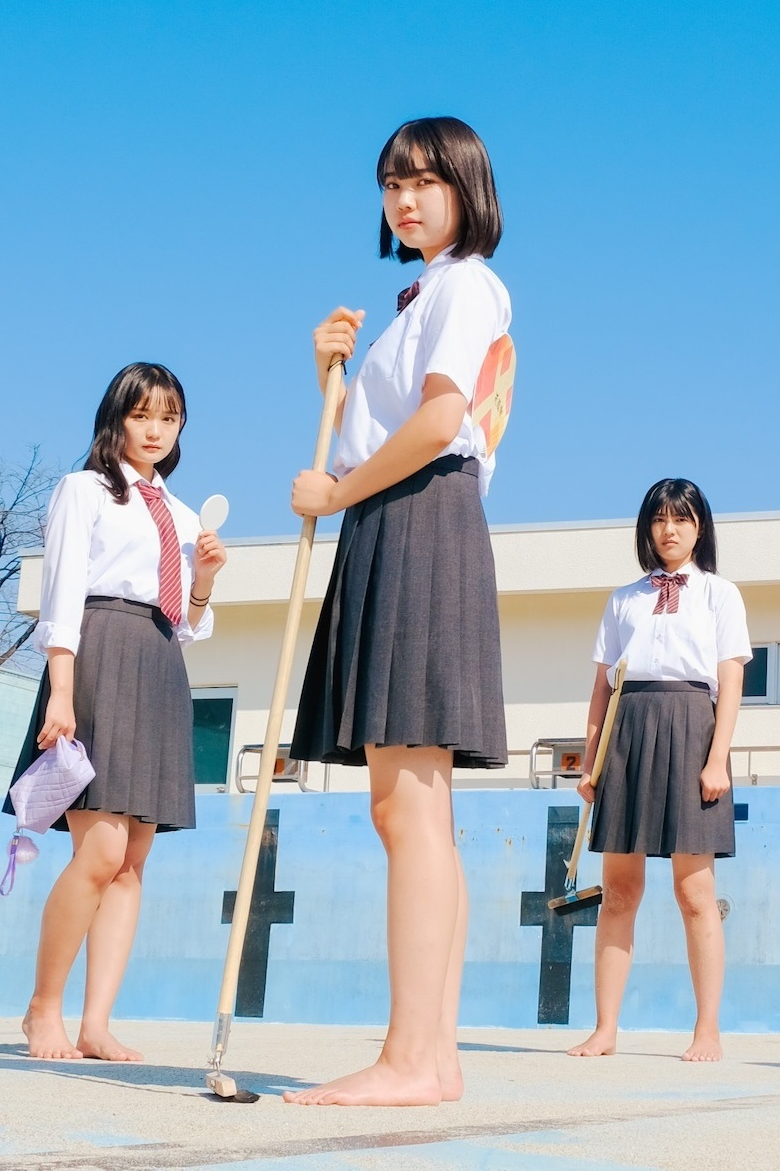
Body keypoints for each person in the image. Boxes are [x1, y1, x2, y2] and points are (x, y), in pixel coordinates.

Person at [282, 116, 510, 1106]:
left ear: (466, 185)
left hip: (416, 520)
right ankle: (435, 1057)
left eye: (424, 179)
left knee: (405, 806)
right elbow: (371, 427)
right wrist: (328, 373)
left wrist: (337, 495)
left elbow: (440, 420)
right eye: (390, 183)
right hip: (395, 521)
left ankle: (412, 1059)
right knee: (415, 811)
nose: (405, 198)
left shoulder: (468, 284)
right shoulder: (417, 296)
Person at [11, 362, 227, 1061]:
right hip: (99, 651)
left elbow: (188, 623)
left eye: (168, 416)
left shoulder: (186, 515)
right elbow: (63, 590)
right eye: (142, 415)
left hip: (162, 662)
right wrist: (63, 691)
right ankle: (43, 1009)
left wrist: (205, 582)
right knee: (99, 850)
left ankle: (96, 1021)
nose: (156, 429)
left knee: (133, 860)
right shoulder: (84, 489)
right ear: (117, 418)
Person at [568, 479, 751, 1062]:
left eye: (682, 518)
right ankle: (604, 1030)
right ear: (647, 528)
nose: (670, 530)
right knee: (618, 891)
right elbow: (602, 687)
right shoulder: (623, 599)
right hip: (627, 732)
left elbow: (731, 680)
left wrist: (718, 757)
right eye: (659, 520)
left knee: (694, 892)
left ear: (700, 527)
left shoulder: (721, 595)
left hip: (693, 726)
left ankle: (707, 1031)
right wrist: (591, 757)